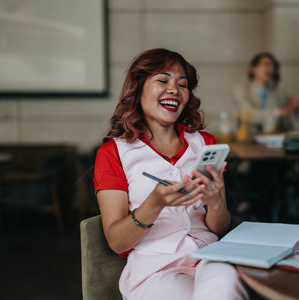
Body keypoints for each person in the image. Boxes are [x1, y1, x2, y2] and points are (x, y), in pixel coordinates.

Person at [93, 48, 248, 300]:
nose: (174, 89)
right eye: (162, 80)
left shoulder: (205, 144)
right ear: (138, 89)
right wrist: (154, 204)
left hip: (208, 257)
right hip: (154, 269)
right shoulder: (113, 153)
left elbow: (219, 227)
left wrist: (214, 200)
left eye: (182, 84)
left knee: (225, 284)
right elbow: (117, 242)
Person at [233, 52, 298, 134]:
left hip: (273, 138)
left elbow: (287, 122)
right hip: (248, 140)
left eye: (273, 66)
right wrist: (277, 112)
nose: (270, 69)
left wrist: (293, 109)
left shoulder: (279, 93)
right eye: (267, 64)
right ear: (254, 68)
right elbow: (248, 115)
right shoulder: (241, 90)